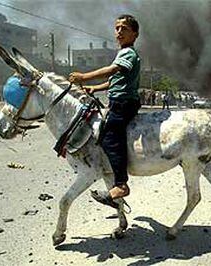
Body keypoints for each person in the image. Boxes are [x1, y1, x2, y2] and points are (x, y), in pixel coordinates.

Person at [68, 14, 141, 209]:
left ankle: (121, 185)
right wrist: (96, 88)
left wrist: (84, 77)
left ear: (135, 34)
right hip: (119, 101)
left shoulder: (128, 54)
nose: (119, 32)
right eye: (117, 28)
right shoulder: (123, 52)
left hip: (123, 103)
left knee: (110, 137)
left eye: (124, 28)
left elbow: (111, 70)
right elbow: (113, 81)